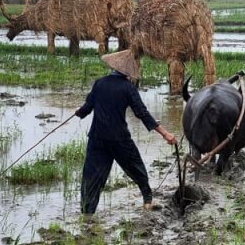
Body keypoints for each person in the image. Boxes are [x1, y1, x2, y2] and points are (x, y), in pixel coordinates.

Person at [75, 50, 176, 214]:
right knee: (137, 169)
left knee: (91, 178)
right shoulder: (128, 88)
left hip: (97, 137)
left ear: (113, 67)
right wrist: (165, 134)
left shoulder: (99, 83)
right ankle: (147, 202)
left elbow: (86, 109)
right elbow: (142, 113)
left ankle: (87, 214)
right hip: (119, 139)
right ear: (129, 73)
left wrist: (78, 112)